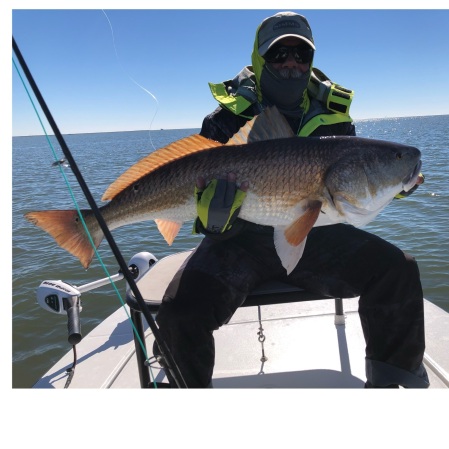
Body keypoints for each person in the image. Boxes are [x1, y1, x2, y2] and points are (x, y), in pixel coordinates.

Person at [153, 11, 429, 388]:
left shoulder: (334, 115)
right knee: (179, 313)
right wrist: (211, 221)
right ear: (259, 59)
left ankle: (395, 388)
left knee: (398, 270)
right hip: (238, 239)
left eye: (301, 55)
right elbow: (190, 175)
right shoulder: (225, 118)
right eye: (278, 54)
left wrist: (394, 183)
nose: (291, 64)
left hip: (317, 234)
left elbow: (352, 184)